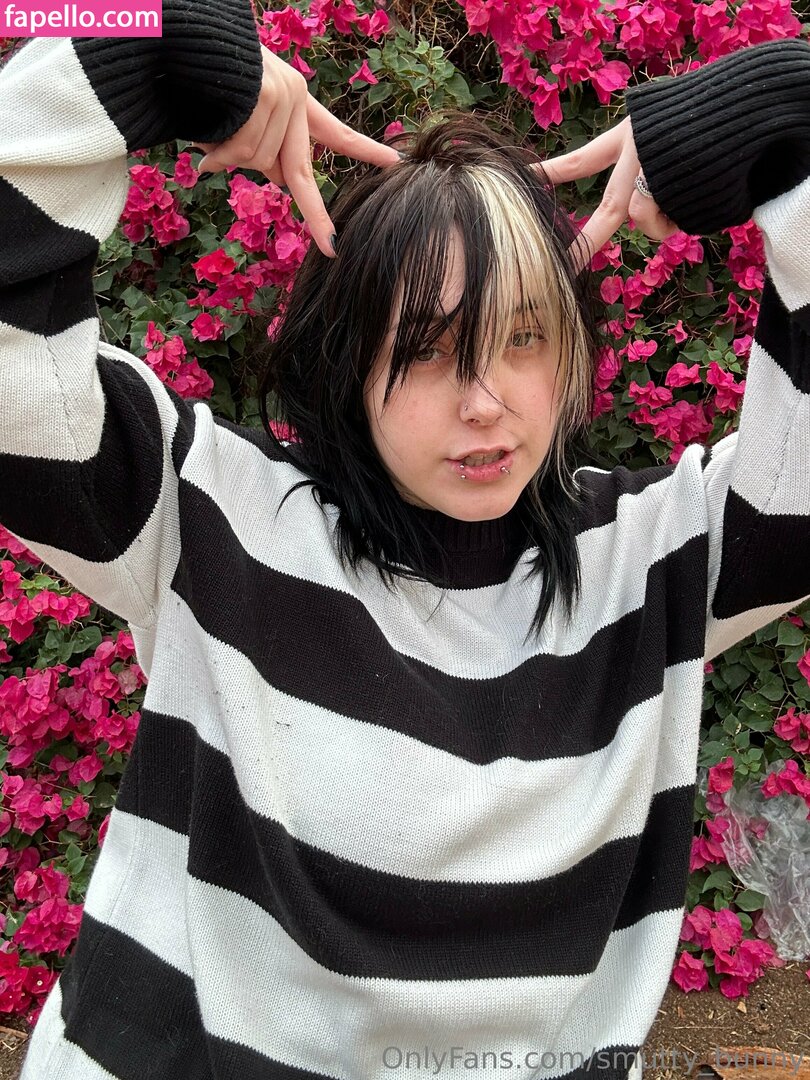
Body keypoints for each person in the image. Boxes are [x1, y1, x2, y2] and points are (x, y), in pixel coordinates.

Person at [1, 0, 808, 1076]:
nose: (486, 403)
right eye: (427, 351)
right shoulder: (206, 514)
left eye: (525, 339)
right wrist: (147, 39)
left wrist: (780, 105)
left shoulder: (652, 561)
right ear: (349, 361)